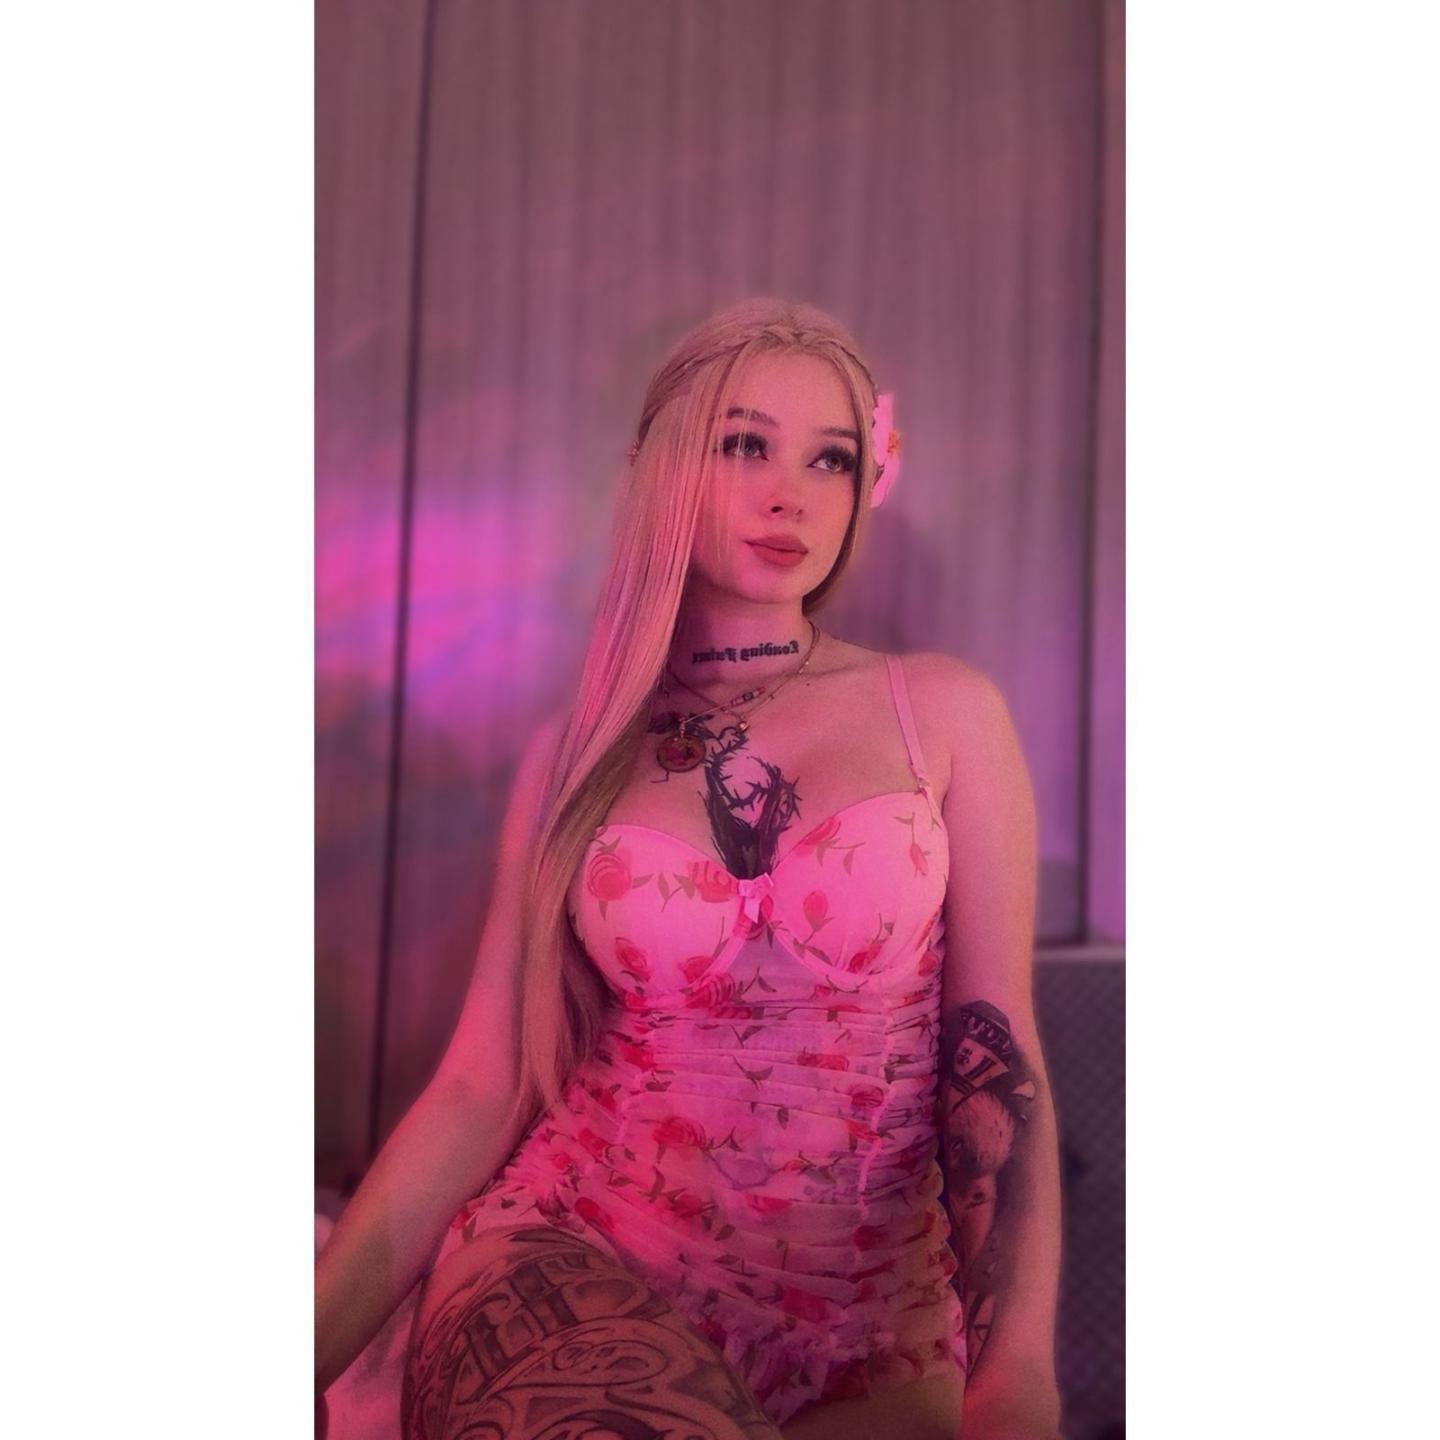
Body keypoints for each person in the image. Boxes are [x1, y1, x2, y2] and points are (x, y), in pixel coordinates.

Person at [315, 298, 1063, 1439]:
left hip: (870, 1330)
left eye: (831, 458)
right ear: (667, 463)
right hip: (582, 1249)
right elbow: (479, 1086)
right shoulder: (575, 754)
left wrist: (1016, 1371)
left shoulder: (944, 713)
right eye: (745, 443)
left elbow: (994, 1057)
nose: (791, 494)